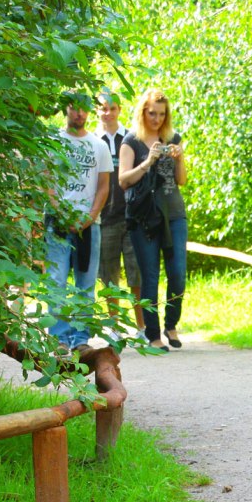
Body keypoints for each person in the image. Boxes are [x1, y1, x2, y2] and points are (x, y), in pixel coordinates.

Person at [118, 88, 187, 353]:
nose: (157, 119)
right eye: (152, 113)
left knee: (177, 273)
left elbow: (181, 180)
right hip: (144, 217)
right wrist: (147, 161)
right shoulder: (131, 141)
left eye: (161, 114)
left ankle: (171, 324)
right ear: (143, 113)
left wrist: (179, 158)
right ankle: (153, 334)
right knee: (150, 276)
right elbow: (123, 180)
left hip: (174, 214)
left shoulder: (173, 138)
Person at [44, 93, 111, 350]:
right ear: (66, 109)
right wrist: (61, 213)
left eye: (84, 109)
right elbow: (46, 181)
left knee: (86, 284)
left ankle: (81, 339)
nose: (79, 114)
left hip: (89, 225)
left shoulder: (99, 146)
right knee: (57, 281)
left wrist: (90, 217)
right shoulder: (53, 142)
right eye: (74, 108)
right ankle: (59, 338)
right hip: (57, 223)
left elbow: (103, 187)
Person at [95, 91, 145, 339]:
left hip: (132, 217)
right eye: (103, 108)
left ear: (120, 110)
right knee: (109, 275)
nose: (108, 113)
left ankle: (142, 328)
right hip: (105, 218)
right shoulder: (93, 141)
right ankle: (113, 327)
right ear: (97, 111)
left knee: (137, 275)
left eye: (112, 108)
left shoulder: (133, 138)